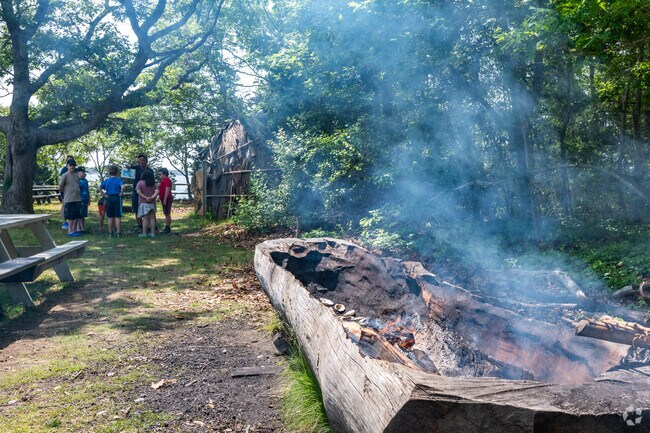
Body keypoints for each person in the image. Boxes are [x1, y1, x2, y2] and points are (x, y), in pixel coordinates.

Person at [99, 164, 126, 237]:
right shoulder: (118, 180)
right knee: (117, 217)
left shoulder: (107, 181)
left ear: (109, 172)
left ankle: (110, 233)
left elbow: (99, 188)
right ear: (117, 172)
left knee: (110, 217)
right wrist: (121, 193)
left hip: (109, 198)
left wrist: (104, 195)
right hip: (117, 198)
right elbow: (123, 187)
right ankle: (119, 233)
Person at [59, 158, 83, 236]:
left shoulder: (76, 175)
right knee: (71, 216)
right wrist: (64, 194)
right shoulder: (65, 175)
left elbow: (77, 185)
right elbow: (60, 187)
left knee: (77, 215)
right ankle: (69, 230)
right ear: (67, 166)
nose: (72, 166)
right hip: (69, 199)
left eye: (73, 165)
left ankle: (74, 229)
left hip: (77, 198)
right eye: (70, 165)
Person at [136, 169, 158, 238]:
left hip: (143, 203)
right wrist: (151, 197)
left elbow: (138, 191)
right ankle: (153, 233)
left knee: (145, 218)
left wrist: (146, 198)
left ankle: (144, 233)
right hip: (152, 203)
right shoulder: (153, 183)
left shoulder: (140, 183)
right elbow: (157, 191)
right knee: (152, 218)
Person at [131, 154, 148, 231]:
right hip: (136, 192)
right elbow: (126, 171)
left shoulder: (149, 170)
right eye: (140, 160)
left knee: (146, 209)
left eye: (143, 160)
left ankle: (148, 226)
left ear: (146, 161)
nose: (141, 161)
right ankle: (140, 226)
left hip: (146, 193)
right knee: (136, 209)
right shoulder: (134, 168)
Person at [60, 154, 74, 229]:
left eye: (71, 160)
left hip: (73, 193)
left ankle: (71, 222)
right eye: (68, 160)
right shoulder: (64, 170)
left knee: (71, 206)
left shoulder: (74, 169)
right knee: (64, 205)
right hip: (65, 191)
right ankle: (64, 222)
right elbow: (62, 183)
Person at [158, 168, 173, 233]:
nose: (159, 175)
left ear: (164, 174)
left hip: (167, 198)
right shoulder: (164, 180)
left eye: (160, 174)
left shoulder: (166, 180)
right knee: (166, 212)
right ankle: (167, 226)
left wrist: (165, 199)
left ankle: (167, 227)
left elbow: (167, 189)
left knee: (167, 213)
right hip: (164, 198)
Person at [76, 167, 90, 233]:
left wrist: (89, 199)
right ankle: (78, 228)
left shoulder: (86, 181)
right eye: (82, 172)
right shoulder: (77, 181)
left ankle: (83, 228)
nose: (84, 174)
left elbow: (87, 190)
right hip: (79, 199)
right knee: (79, 215)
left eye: (85, 172)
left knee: (83, 215)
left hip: (85, 199)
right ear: (78, 173)